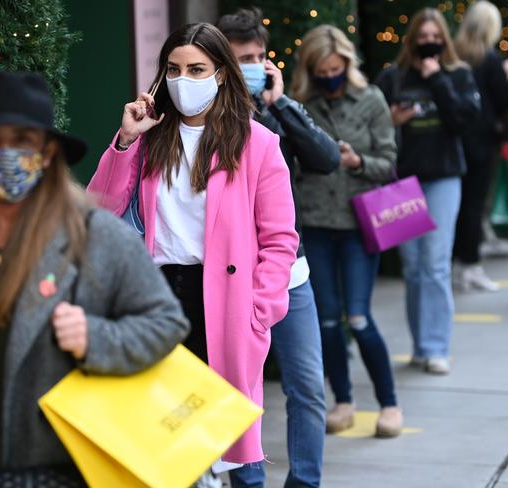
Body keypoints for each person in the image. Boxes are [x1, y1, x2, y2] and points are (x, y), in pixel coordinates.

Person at [0, 71, 190, 487]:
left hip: (64, 472)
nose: (4, 152)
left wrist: (95, 338)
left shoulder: (95, 236)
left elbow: (166, 324)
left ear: (48, 153)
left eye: (21, 141)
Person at [87, 23, 299, 480]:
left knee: (216, 443)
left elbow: (280, 239)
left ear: (221, 73)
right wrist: (124, 142)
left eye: (197, 68)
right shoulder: (148, 137)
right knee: (156, 442)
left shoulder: (257, 144)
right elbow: (97, 210)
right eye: (174, 69)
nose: (184, 79)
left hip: (222, 305)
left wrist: (259, 312)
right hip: (156, 300)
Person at [216, 8, 338, 488]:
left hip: (292, 274)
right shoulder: (209, 123)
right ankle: (248, 483)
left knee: (307, 386)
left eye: (260, 56)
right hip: (232, 277)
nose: (254, 64)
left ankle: (305, 483)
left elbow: (326, 158)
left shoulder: (276, 111)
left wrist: (281, 104)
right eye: (242, 57)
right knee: (240, 391)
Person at [289, 24, 403, 437]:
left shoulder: (371, 99)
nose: (330, 75)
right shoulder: (300, 104)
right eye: (322, 69)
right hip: (315, 223)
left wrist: (357, 162)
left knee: (358, 317)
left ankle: (389, 403)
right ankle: (343, 400)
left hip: (358, 223)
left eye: (336, 67)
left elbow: (388, 162)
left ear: (347, 64)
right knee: (327, 321)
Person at [375, 8, 480, 375]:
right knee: (414, 267)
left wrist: (438, 81)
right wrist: (391, 120)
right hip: (403, 182)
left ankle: (437, 346)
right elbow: (373, 125)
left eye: (435, 36)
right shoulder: (393, 77)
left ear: (445, 39)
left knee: (436, 264)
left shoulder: (458, 75)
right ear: (411, 40)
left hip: (444, 177)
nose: (428, 43)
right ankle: (420, 344)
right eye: (421, 37)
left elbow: (464, 121)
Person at [452, 1, 508, 292]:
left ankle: (458, 265)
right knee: (474, 204)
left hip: (453, 140)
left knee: (458, 204)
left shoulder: (453, 54)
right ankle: (471, 265)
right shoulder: (490, 60)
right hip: (482, 140)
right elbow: (504, 102)